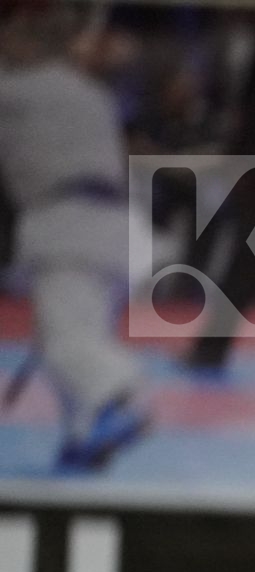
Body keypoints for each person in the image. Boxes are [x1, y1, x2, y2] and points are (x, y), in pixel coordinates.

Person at [0, 0, 148, 471]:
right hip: (114, 229)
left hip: (68, 227)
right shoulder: (91, 95)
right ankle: (84, 436)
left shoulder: (18, 91)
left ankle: (119, 392)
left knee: (67, 342)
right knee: (66, 334)